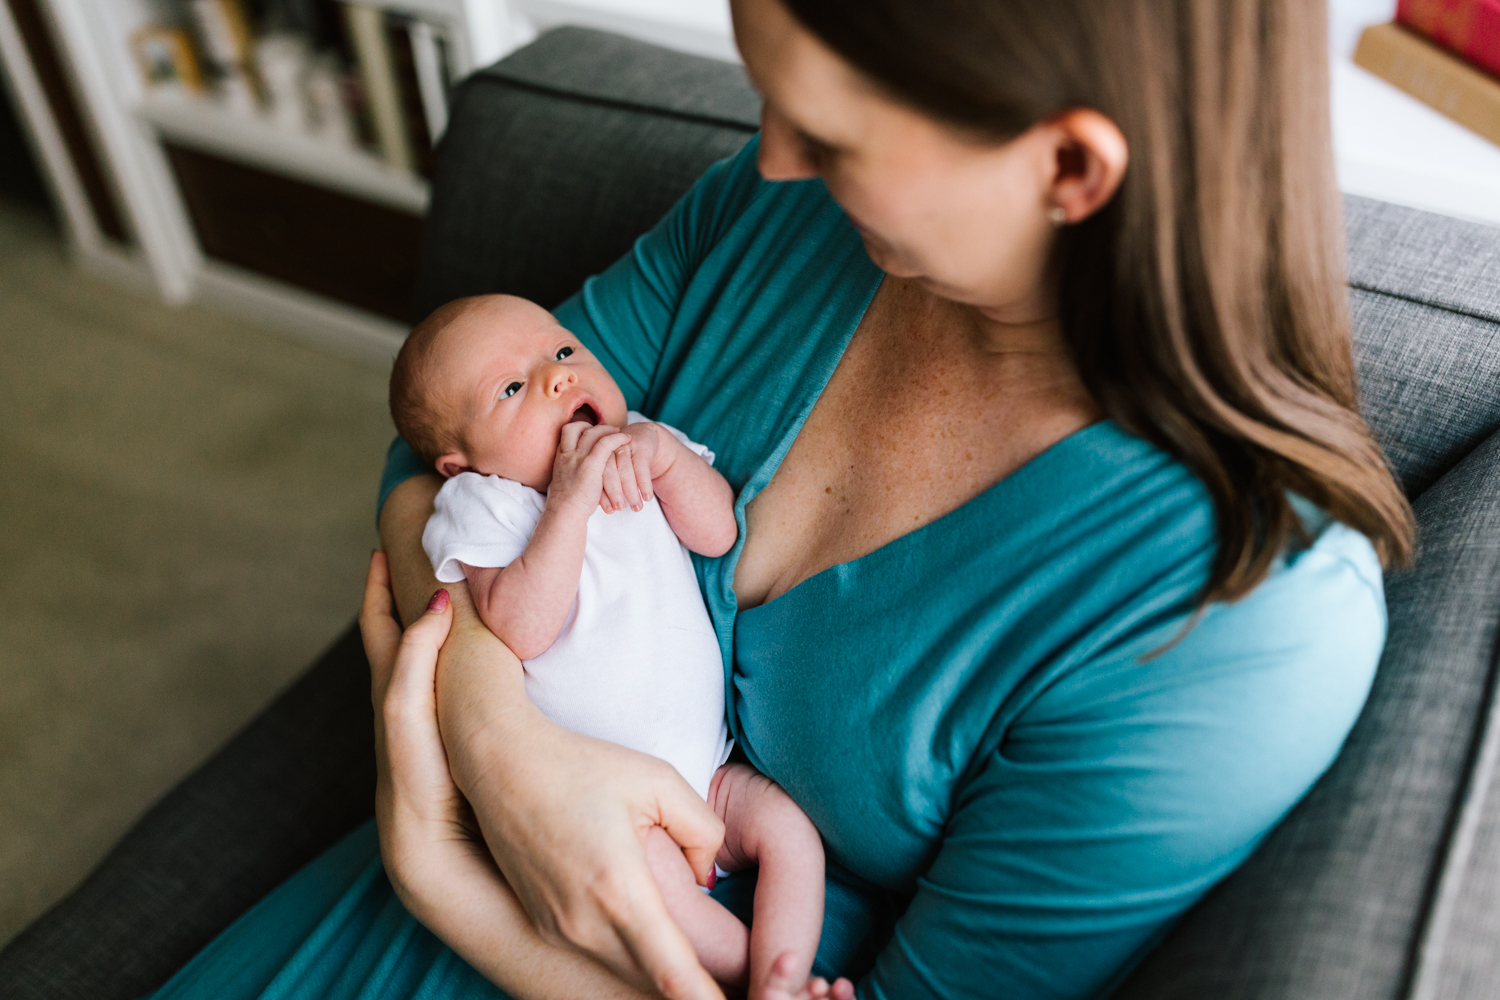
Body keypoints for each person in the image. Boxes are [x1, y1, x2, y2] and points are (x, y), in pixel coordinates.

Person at [146, 0, 1415, 998]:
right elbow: (426, 468)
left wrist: (450, 876)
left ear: (1072, 168)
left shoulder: (1241, 612)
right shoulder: (773, 220)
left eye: (831, 132)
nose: (772, 155)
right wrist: (497, 742)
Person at [389, 292, 839, 1000]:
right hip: (608, 800)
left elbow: (718, 534)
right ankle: (750, 979)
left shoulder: (642, 441)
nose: (558, 377)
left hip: (710, 774)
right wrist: (567, 502)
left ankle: (785, 972)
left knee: (790, 833)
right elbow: (520, 627)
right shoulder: (488, 504)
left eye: (563, 351)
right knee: (658, 895)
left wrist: (662, 459)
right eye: (510, 388)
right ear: (460, 464)